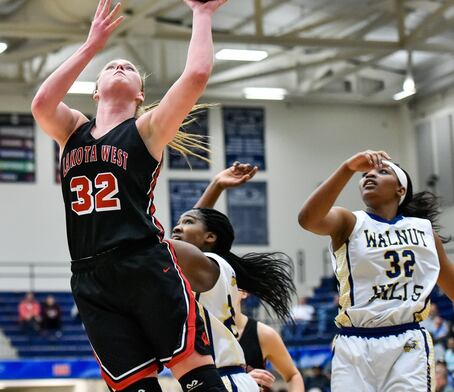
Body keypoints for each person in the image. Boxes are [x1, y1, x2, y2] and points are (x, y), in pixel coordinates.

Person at [32, 0, 233, 391]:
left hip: (144, 263)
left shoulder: (147, 128)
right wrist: (91, 47)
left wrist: (202, 12)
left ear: (141, 93)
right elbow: (40, 103)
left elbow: (195, 76)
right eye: (111, 67)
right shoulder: (71, 128)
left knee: (195, 377)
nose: (120, 65)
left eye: (128, 67)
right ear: (94, 90)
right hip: (90, 275)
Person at [298, 150, 454, 390]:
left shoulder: (424, 231)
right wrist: (347, 169)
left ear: (400, 190)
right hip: (354, 342)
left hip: (407, 340)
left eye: (382, 172)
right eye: (366, 174)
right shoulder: (349, 221)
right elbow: (308, 219)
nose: (370, 176)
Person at [170, 162, 296, 391]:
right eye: (178, 223)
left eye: (186, 223)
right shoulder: (207, 264)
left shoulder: (209, 264)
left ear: (210, 237)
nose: (177, 228)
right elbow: (196, 227)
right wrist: (216, 185)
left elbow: (162, 245)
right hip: (217, 379)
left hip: (222, 380)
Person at [235, 291, 305, 392]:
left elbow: (293, 376)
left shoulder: (263, 334)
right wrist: (241, 383)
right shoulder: (206, 334)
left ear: (243, 292)